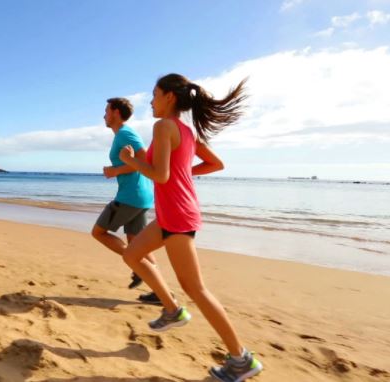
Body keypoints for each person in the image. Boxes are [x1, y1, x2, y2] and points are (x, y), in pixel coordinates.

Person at [119, 74, 263, 381]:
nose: (151, 100)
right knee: (132, 254)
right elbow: (215, 164)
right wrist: (183, 173)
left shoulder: (163, 126)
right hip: (173, 214)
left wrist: (130, 161)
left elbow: (158, 175)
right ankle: (172, 311)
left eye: (155, 94)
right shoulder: (186, 131)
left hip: (178, 217)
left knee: (195, 289)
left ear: (170, 96)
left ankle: (241, 359)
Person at [91, 97, 164, 303]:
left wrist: (114, 171)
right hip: (141, 196)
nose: (104, 115)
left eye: (106, 111)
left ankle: (138, 266)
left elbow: (144, 159)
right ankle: (159, 291)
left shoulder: (125, 132)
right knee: (136, 242)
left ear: (115, 112)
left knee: (98, 232)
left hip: (131, 196)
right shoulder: (121, 135)